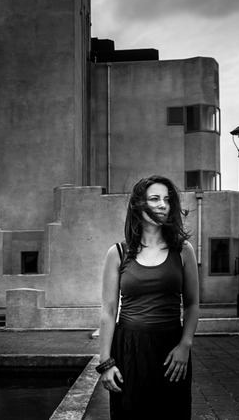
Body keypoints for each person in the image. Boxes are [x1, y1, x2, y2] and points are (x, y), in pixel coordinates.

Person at [97, 175, 200, 419]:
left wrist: (185, 345)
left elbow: (192, 304)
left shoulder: (183, 250)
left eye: (167, 199)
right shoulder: (118, 253)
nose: (163, 204)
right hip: (129, 350)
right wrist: (106, 363)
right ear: (138, 205)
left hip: (171, 351)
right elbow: (108, 311)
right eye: (155, 199)